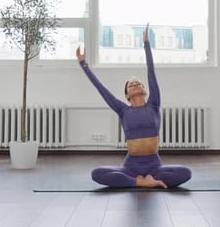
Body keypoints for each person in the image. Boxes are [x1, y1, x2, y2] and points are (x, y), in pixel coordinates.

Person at [76, 23, 192, 188]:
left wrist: (146, 44)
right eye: (131, 85)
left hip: (154, 166)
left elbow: (151, 72)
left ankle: (141, 181)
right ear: (127, 95)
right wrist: (83, 64)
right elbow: (101, 88)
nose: (136, 84)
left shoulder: (154, 104)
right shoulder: (123, 110)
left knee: (185, 172)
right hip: (131, 166)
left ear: (145, 90)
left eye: (139, 83)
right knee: (97, 173)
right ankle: (141, 182)